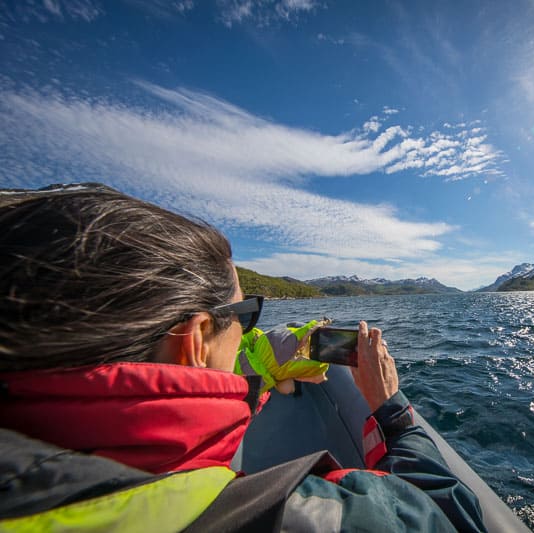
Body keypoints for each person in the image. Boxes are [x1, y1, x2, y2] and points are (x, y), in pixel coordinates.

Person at [0, 187, 486, 532]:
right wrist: (392, 411)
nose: (251, 325)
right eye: (246, 312)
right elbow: (451, 517)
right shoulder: (298, 517)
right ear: (193, 341)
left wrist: (259, 391)